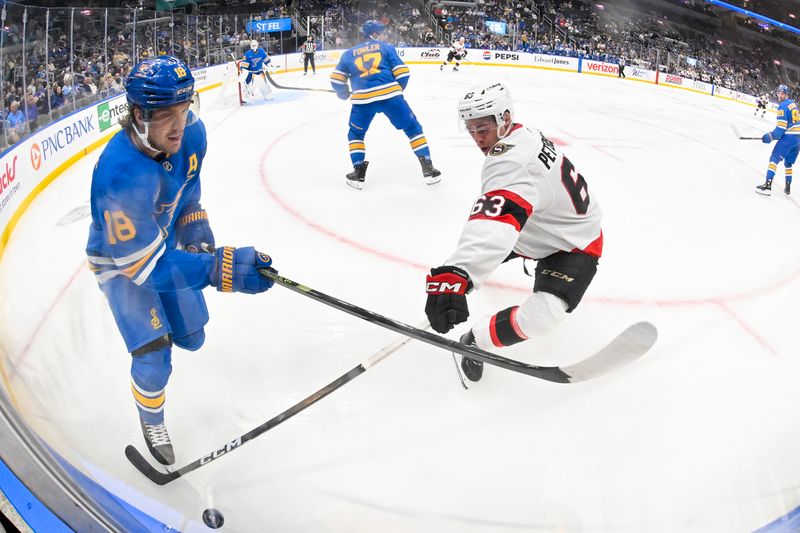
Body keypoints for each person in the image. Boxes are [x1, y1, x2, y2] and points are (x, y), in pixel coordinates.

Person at [85, 56, 275, 465]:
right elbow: (144, 268)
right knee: (155, 353)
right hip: (123, 264)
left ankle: (161, 327)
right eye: (167, 115)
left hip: (162, 242)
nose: (180, 125)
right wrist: (219, 269)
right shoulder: (120, 176)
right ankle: (152, 417)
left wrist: (193, 223)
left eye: (185, 109)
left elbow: (189, 186)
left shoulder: (192, 132)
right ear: (140, 115)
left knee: (192, 337)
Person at [424, 82, 603, 382]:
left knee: (541, 319)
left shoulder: (510, 161)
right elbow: (497, 220)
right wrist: (459, 273)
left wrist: (456, 274)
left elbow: (494, 222)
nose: (477, 138)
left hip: (574, 242)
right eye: (471, 129)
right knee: (469, 264)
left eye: (483, 128)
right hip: (537, 226)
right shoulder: (522, 133)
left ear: (504, 119)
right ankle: (460, 278)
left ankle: (475, 340)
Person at [329, 20, 441, 189]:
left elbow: (336, 79)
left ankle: (358, 172)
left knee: (356, 134)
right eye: (381, 32)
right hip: (391, 97)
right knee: (413, 129)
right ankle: (428, 168)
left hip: (363, 101)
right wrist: (396, 91)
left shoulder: (348, 54)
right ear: (375, 34)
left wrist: (343, 93)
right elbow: (403, 72)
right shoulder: (386, 48)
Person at [756, 84, 800, 196]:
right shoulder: (792, 104)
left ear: (786, 94)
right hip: (798, 139)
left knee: (774, 158)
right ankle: (788, 188)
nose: (780, 95)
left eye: (782, 93)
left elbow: (781, 129)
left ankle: (768, 185)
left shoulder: (782, 106)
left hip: (790, 137)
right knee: (788, 163)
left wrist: (770, 136)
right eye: (779, 93)